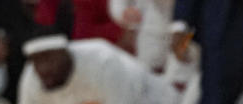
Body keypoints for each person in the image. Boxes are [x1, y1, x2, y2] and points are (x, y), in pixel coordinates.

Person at [18, 33, 178, 103]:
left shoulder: (103, 62)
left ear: (65, 53)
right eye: (37, 61)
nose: (43, 68)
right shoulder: (32, 79)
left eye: (48, 58)